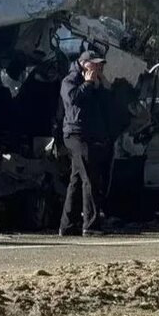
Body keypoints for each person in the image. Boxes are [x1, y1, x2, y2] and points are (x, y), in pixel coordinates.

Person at [59, 50, 113, 236]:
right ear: (84, 64)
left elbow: (104, 106)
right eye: (95, 64)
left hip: (89, 133)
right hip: (76, 133)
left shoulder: (95, 84)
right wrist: (88, 84)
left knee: (76, 179)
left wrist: (100, 86)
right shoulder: (70, 80)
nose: (98, 67)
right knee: (89, 178)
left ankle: (67, 224)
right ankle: (90, 224)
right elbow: (73, 99)